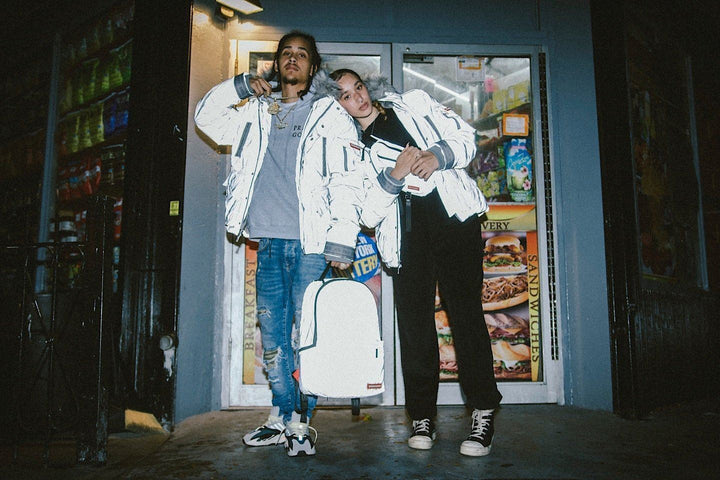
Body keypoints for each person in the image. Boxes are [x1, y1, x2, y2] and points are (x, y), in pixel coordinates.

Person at [194, 32, 362, 457]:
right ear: (276, 62)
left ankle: (300, 423)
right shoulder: (254, 111)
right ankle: (283, 415)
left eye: (302, 54)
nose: (293, 59)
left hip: (311, 246)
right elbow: (205, 118)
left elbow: (346, 179)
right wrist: (238, 86)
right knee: (273, 338)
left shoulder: (329, 113)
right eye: (287, 53)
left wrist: (342, 239)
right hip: (268, 243)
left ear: (313, 66)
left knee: (307, 337)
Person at [331, 69, 502, 457]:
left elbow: (466, 138)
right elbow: (367, 213)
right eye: (345, 96)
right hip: (406, 237)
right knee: (415, 326)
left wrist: (437, 155)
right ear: (339, 106)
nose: (358, 97)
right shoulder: (350, 148)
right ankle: (422, 417)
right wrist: (395, 175)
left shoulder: (414, 103)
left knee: (466, 316)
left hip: (455, 221)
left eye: (358, 87)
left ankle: (483, 411)